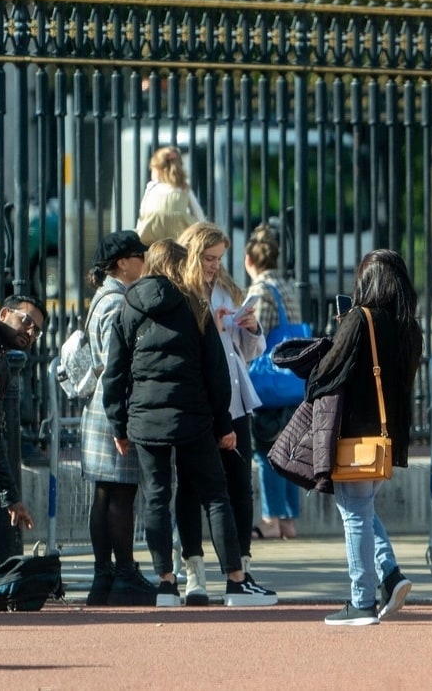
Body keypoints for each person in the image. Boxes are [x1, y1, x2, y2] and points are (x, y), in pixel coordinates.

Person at [102, 238, 276, 607]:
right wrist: (223, 423)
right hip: (193, 416)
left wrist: (118, 423)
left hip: (145, 419)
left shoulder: (129, 306)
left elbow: (115, 372)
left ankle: (166, 583)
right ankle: (235, 580)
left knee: (156, 498)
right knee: (216, 495)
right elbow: (215, 370)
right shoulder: (194, 305)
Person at [305, 249, 422, 626]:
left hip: (355, 432)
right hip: (385, 437)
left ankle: (361, 600)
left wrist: (337, 334)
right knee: (363, 508)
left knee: (354, 513)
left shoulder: (360, 319)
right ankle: (389, 575)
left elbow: (327, 374)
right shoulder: (408, 327)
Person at [175, 221, 265, 604]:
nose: (214, 265)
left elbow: (247, 351)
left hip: (235, 398)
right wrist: (208, 330)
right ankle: (193, 570)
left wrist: (251, 326)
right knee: (193, 487)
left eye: (219, 258)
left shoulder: (226, 288)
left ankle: (240, 567)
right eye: (209, 258)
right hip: (198, 402)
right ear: (194, 255)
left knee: (239, 486)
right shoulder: (182, 291)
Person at [78, 230, 157, 606]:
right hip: (113, 406)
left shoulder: (106, 297)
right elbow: (116, 364)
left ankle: (104, 576)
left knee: (106, 493)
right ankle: (120, 572)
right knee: (119, 494)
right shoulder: (115, 302)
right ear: (123, 263)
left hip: (102, 406)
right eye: (138, 256)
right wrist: (121, 419)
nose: (144, 261)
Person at [244, 225, 302, 541]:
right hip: (292, 379)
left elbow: (255, 337)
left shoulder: (261, 291)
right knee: (288, 449)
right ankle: (289, 520)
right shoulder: (288, 287)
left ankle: (271, 519)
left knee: (266, 450)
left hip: (269, 382)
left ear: (249, 258)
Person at [0, 294, 45, 532]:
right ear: (4, 313)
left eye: (36, 331)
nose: (30, 332)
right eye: (26, 321)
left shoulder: (1, 374)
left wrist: (11, 498)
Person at [134, 145, 205, 245]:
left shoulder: (152, 187)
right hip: (179, 240)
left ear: (159, 169)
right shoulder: (183, 188)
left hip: (153, 241)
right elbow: (198, 213)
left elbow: (143, 213)